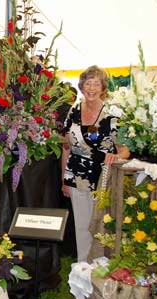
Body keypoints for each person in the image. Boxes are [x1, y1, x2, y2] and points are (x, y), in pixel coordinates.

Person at [61, 65, 129, 262]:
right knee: (81, 225)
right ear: (82, 86)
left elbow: (125, 149)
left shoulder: (112, 114)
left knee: (100, 224)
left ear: (102, 88)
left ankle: (100, 266)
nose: (91, 88)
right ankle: (83, 269)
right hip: (76, 175)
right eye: (88, 83)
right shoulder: (74, 111)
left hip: (102, 177)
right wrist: (64, 180)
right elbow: (66, 146)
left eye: (96, 84)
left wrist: (116, 156)